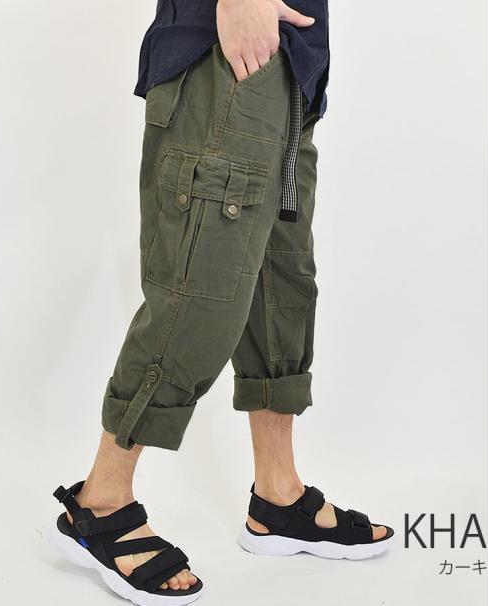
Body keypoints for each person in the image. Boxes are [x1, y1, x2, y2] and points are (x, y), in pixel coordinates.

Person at [49, 1, 394, 604]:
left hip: (291, 68)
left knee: (281, 289)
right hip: (227, 50)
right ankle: (100, 502)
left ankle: (278, 496)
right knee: (199, 294)